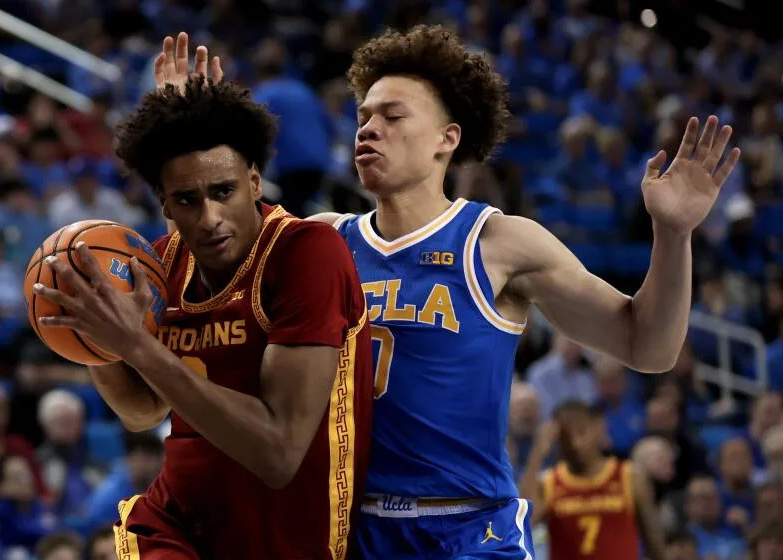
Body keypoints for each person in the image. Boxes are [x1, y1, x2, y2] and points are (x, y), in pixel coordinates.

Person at [157, 23, 739, 558]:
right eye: (362, 117)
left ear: (446, 138)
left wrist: (672, 233)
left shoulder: (499, 243)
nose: (368, 129)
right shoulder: (320, 239)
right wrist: (194, 129)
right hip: (351, 529)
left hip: (471, 529)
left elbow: (648, 346)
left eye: (392, 116)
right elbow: (207, 268)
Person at [33, 75, 373, 560]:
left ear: (255, 182)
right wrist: (95, 340)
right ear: (165, 204)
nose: (209, 216)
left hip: (290, 532)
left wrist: (134, 344)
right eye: (188, 199)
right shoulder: (156, 263)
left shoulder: (307, 252)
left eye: (223, 191)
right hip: (177, 522)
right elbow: (140, 412)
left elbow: (279, 453)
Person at [519, 402, 665, 560]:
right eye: (566, 437)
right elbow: (520, 523)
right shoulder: (549, 482)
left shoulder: (629, 475)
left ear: (597, 428)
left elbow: (655, 543)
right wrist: (537, 452)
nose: (575, 444)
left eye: (581, 432)